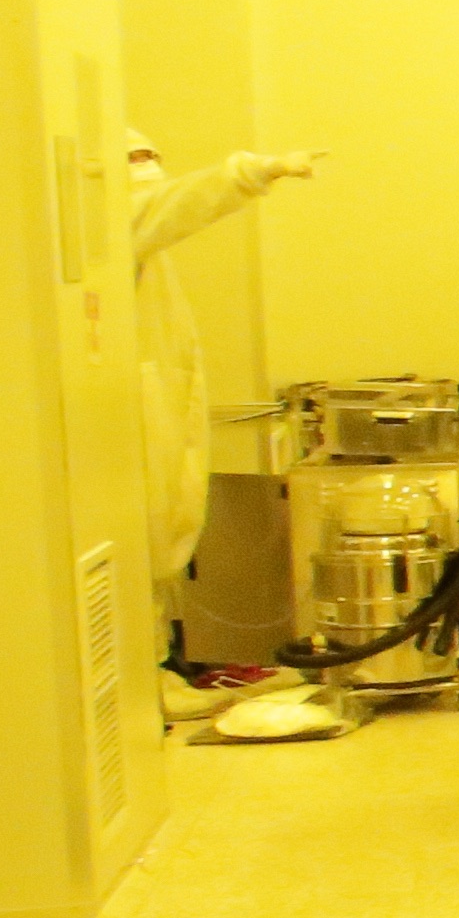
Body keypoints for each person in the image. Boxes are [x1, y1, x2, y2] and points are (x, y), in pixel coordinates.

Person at [124, 131, 314, 607]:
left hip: (161, 432)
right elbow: (179, 203)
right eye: (136, 159)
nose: (149, 166)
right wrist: (248, 174)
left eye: (152, 156)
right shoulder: (116, 230)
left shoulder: (148, 255)